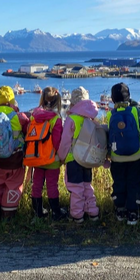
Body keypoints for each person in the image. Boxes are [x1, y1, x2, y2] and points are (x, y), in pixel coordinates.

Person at [0, 86, 30, 221]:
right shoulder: (18, 116)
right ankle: (7, 215)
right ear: (12, 101)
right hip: (15, 158)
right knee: (13, 185)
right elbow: (27, 129)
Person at [57, 87, 101, 223]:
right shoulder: (91, 118)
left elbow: (65, 141)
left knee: (76, 188)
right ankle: (92, 212)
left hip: (73, 158)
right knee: (87, 185)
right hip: (87, 158)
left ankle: (77, 215)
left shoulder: (72, 118)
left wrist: (61, 156)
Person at [105, 82, 140, 226]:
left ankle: (120, 209)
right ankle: (133, 212)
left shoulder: (110, 115)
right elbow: (139, 108)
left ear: (112, 99)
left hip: (117, 156)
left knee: (119, 181)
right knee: (134, 182)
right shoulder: (135, 111)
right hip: (136, 154)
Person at [27, 86, 66, 221]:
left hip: (36, 157)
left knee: (36, 184)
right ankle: (56, 211)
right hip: (52, 158)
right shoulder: (56, 118)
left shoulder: (34, 116)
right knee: (52, 185)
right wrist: (61, 157)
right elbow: (57, 141)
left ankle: (38, 212)